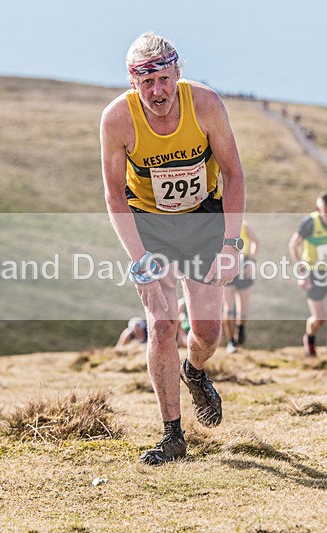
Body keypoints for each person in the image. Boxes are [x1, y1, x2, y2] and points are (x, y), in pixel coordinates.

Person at [100, 32, 245, 464]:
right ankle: (172, 435)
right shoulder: (117, 120)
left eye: (163, 79)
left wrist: (231, 243)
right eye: (147, 83)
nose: (157, 91)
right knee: (163, 327)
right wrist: (139, 263)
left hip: (203, 221)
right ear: (133, 83)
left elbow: (234, 174)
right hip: (152, 227)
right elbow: (113, 195)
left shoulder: (205, 105)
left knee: (206, 334)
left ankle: (195, 371)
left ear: (177, 74)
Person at [288, 192, 327, 357]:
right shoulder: (309, 223)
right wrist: (301, 272)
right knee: (319, 318)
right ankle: (309, 338)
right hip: (314, 272)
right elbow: (293, 245)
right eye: (326, 211)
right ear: (319, 208)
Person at [222, 220, 259, 353]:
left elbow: (256, 242)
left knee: (243, 310)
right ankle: (231, 341)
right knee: (229, 309)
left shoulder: (244, 225)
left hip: (243, 271)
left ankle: (241, 328)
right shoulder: (217, 225)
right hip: (225, 271)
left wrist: (252, 262)